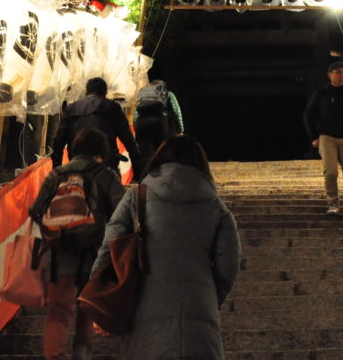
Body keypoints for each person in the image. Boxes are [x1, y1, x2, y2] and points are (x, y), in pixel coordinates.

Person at [90, 134, 240, 359]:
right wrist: (210, 297)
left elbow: (109, 247)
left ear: (158, 160)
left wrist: (100, 297)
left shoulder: (136, 197)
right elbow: (228, 266)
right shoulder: (217, 209)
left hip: (144, 309)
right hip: (199, 310)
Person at [29, 128, 126, 360]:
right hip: (94, 255)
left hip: (58, 255)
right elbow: (123, 211)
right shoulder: (105, 175)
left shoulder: (56, 175)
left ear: (73, 150)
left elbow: (35, 211)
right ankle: (82, 356)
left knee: (58, 314)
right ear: (100, 151)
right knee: (87, 312)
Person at [303, 60, 343, 222]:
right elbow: (308, 115)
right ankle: (333, 204)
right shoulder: (321, 94)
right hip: (327, 137)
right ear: (330, 75)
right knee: (331, 172)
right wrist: (313, 137)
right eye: (338, 72)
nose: (342, 75)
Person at [50, 77, 140, 173]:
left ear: (86, 92)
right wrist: (137, 170)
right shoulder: (112, 107)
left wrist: (56, 168)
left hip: (77, 164)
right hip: (106, 164)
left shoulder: (71, 108)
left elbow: (59, 140)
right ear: (105, 93)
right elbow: (128, 139)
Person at [132, 80, 185, 177]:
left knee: (146, 154)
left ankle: (146, 179)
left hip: (142, 122)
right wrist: (180, 130)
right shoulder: (168, 94)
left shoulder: (144, 94)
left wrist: (136, 127)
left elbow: (136, 113)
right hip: (159, 121)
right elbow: (176, 111)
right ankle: (162, 178)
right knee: (162, 151)